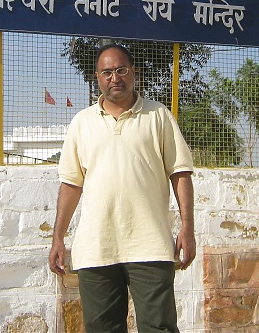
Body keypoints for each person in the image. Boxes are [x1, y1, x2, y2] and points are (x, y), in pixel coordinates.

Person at [48, 43, 195, 333]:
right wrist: (57, 238)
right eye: (107, 72)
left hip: (150, 246)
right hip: (96, 248)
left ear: (134, 72)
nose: (115, 78)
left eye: (121, 70)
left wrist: (187, 229)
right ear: (97, 78)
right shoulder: (82, 123)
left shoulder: (158, 116)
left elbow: (180, 173)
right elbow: (71, 184)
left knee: (159, 327)